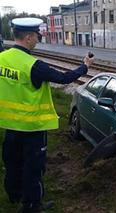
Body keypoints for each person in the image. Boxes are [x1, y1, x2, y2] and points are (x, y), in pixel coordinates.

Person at [0, 17, 94, 213]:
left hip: (9, 124)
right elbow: (63, 78)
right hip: (32, 127)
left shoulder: (2, 58)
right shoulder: (33, 65)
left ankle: (13, 195)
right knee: (33, 168)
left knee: (12, 162)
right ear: (27, 37)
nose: (38, 39)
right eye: (36, 36)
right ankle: (32, 205)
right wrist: (85, 66)